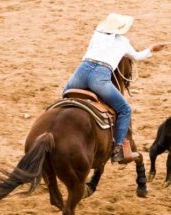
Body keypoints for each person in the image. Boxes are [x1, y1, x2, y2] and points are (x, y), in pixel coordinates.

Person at [63, 13, 165, 162]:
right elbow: (137, 56)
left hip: (82, 71)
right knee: (125, 109)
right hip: (100, 77)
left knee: (64, 96)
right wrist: (152, 49)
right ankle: (117, 148)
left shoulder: (96, 35)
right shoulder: (123, 42)